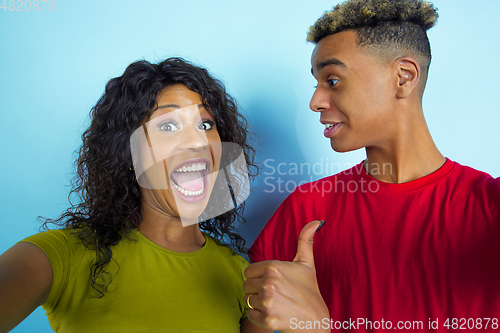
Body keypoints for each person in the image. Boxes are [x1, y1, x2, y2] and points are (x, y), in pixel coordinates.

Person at [244, 0, 500, 332]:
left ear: (403, 78)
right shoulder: (306, 210)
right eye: (316, 83)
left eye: (333, 80)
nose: (315, 101)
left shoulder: (490, 207)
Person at [0, 57, 270, 333]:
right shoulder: (61, 257)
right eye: (168, 126)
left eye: (205, 125)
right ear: (131, 154)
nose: (198, 142)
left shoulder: (241, 276)